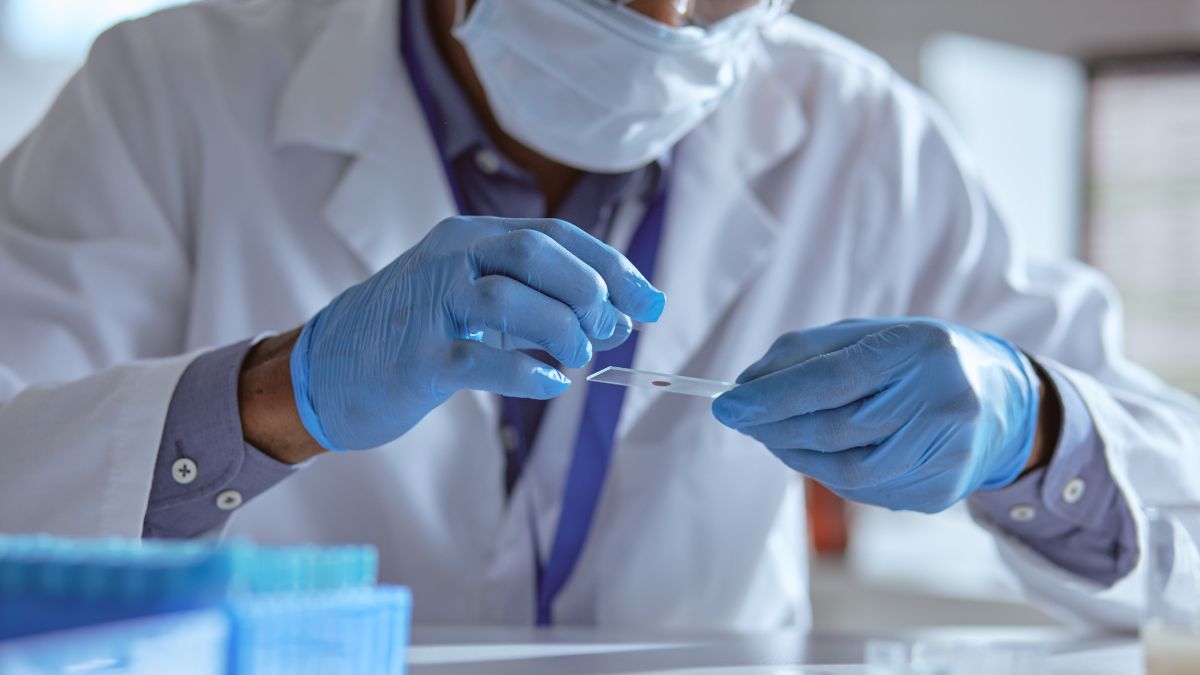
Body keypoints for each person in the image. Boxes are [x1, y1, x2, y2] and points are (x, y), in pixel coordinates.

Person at [0, 0, 1196, 630]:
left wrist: (1030, 426)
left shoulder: (866, 136)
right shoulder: (165, 91)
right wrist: (276, 397)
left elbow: (1180, 522)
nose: (666, 17)